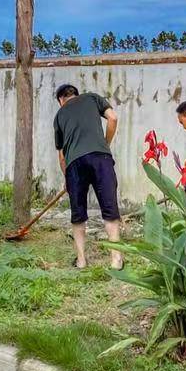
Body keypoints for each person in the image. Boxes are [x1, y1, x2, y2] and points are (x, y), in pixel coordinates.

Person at [53, 84, 123, 269]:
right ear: (76, 94)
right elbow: (113, 118)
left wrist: (68, 178)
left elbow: (62, 156)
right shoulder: (92, 97)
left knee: (78, 215)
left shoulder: (59, 116)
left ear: (61, 100)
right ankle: (116, 260)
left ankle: (82, 261)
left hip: (74, 163)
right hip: (100, 158)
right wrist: (105, 145)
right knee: (109, 209)